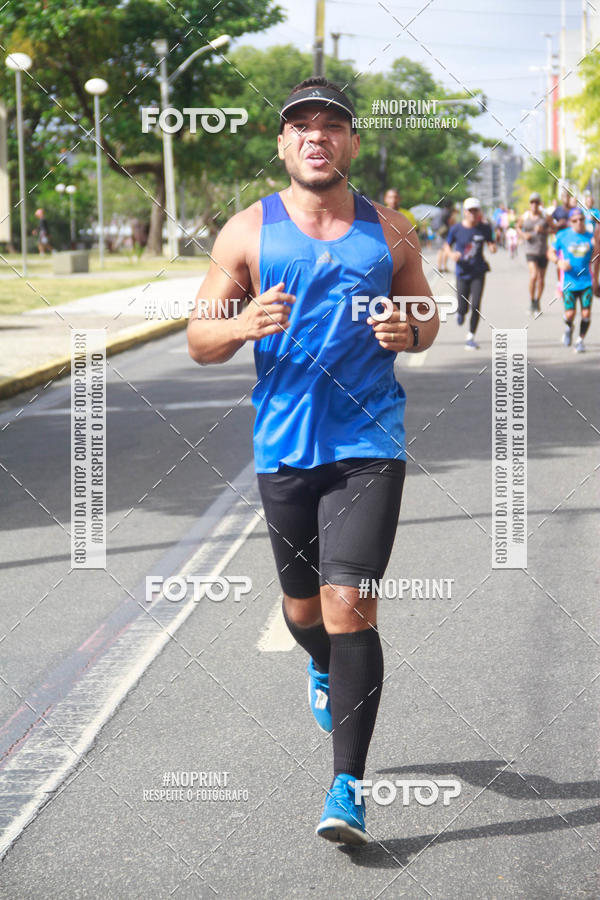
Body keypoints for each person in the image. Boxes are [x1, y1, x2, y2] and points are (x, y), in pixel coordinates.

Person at [187, 77, 439, 845]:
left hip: (369, 447)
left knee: (347, 605)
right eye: (301, 126)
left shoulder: (391, 231)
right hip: (286, 450)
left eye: (331, 125)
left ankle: (347, 787)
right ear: (284, 143)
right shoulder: (245, 232)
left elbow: (426, 317)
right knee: (304, 614)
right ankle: (324, 667)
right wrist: (239, 328)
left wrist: (409, 330)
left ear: (352, 142)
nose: (316, 136)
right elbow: (198, 340)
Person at [446, 197, 496, 349]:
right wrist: (452, 255)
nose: (473, 214)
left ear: (479, 211)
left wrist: (493, 247)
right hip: (462, 272)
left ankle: (471, 336)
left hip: (478, 271)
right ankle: (460, 313)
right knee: (463, 307)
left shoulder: (484, 228)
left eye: (476, 210)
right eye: (470, 211)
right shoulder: (456, 229)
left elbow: (491, 243)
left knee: (475, 305)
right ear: (465, 212)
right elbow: (447, 246)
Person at [548, 207, 594, 352]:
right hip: (569, 282)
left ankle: (580, 341)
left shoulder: (590, 237)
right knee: (570, 314)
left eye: (581, 219)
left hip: (586, 281)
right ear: (570, 222)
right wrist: (558, 262)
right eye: (575, 220)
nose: (579, 222)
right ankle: (569, 327)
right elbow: (550, 252)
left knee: (586, 313)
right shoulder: (562, 235)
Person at [517, 192, 551, 315]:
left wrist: (544, 230)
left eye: (536, 202)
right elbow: (518, 227)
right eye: (532, 202)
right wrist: (523, 235)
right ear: (530, 204)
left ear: (540, 203)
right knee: (534, 275)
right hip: (530, 250)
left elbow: (554, 229)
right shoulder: (525, 216)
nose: (534, 204)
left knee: (541, 278)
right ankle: (532, 301)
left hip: (542, 250)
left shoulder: (545, 217)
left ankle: (537, 302)